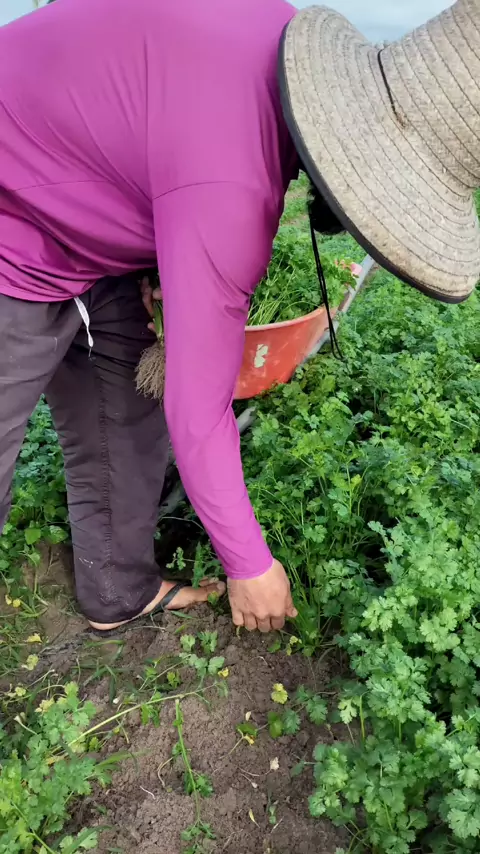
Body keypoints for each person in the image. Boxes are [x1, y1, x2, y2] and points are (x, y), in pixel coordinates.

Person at [0, 0, 478, 635]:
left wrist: (161, 257)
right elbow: (198, 406)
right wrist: (249, 564)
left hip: (77, 191)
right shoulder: (231, 191)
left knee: (125, 405)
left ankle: (116, 590)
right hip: (14, 209)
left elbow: (142, 122)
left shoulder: (274, 30)